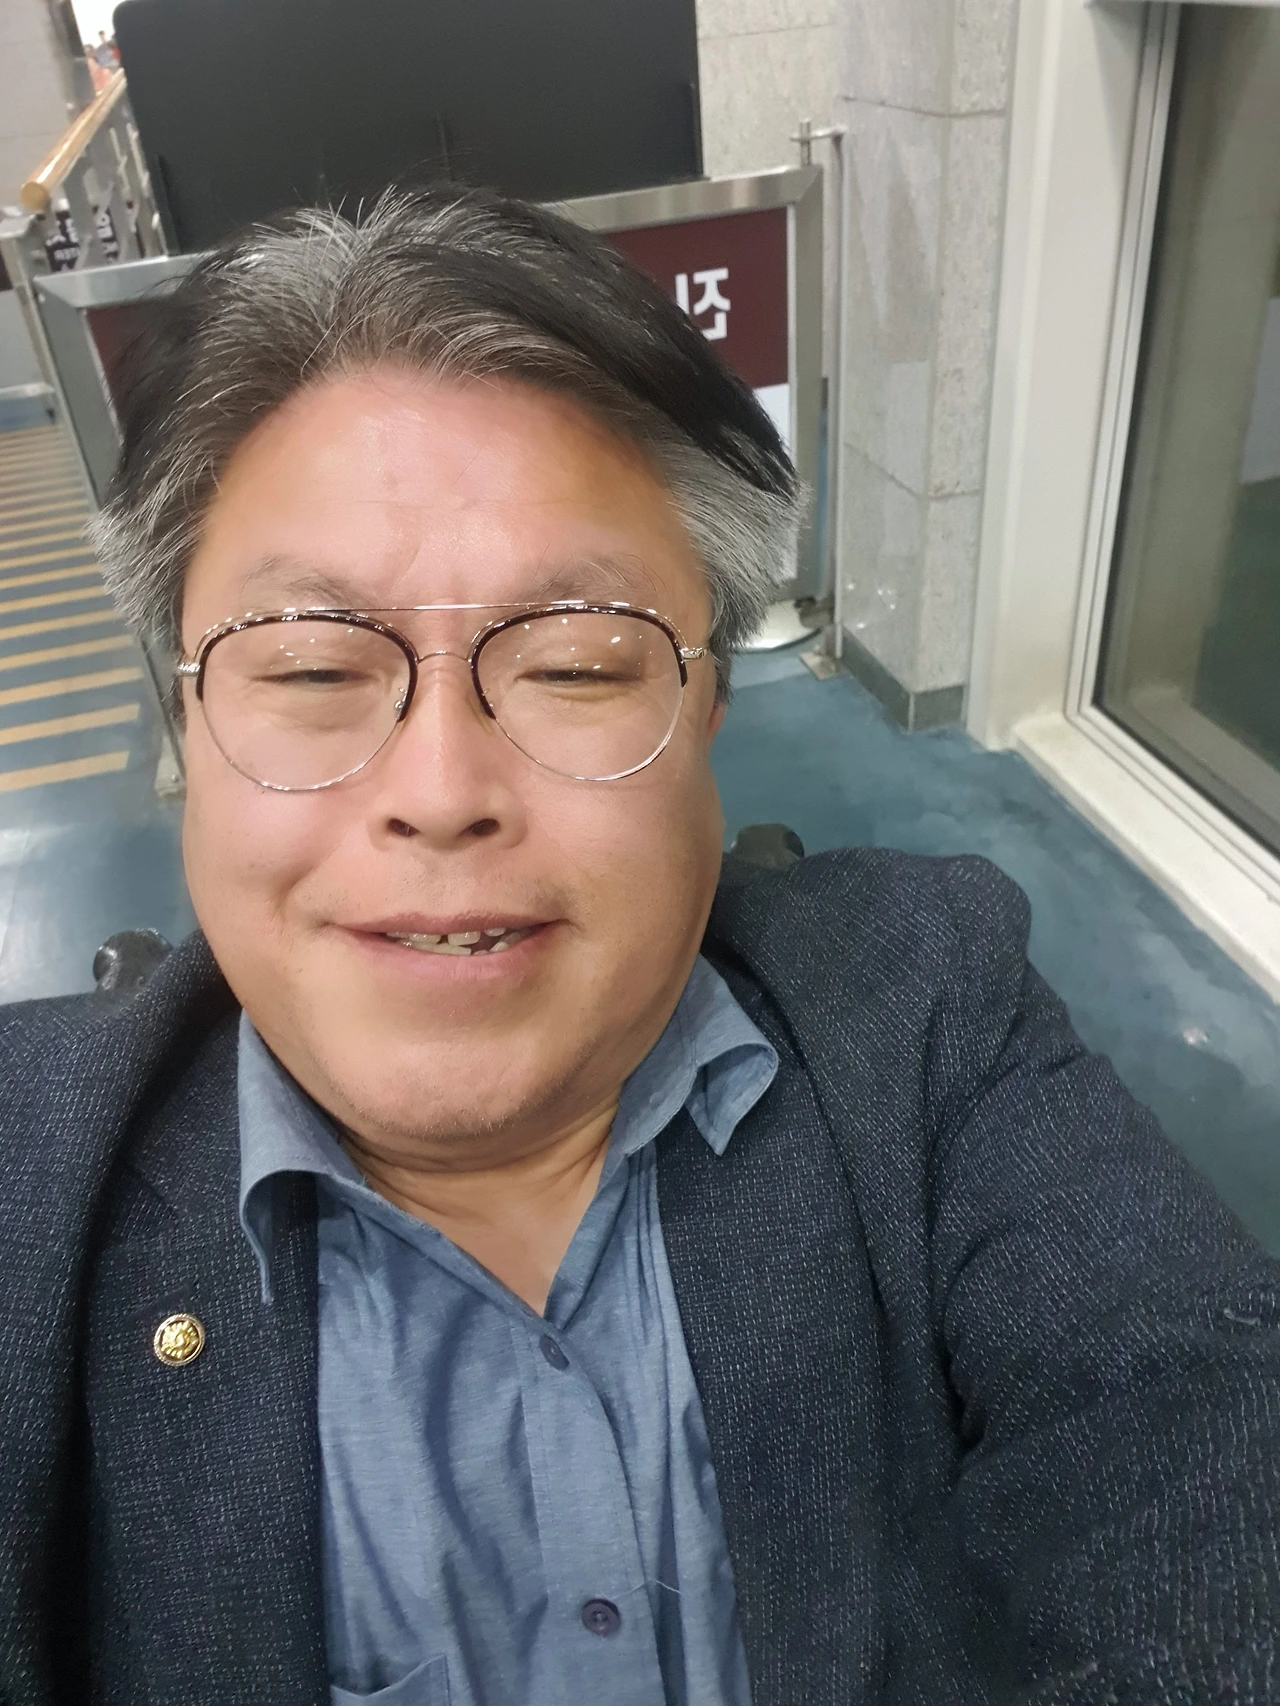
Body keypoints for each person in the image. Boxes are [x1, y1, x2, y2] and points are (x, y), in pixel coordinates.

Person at [1, 185, 1277, 1706]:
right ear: (188, 722)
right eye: (316, 669)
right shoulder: (31, 1176)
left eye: (577, 663)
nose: (442, 792)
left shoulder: (925, 1007)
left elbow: (1189, 1418)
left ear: (709, 710)